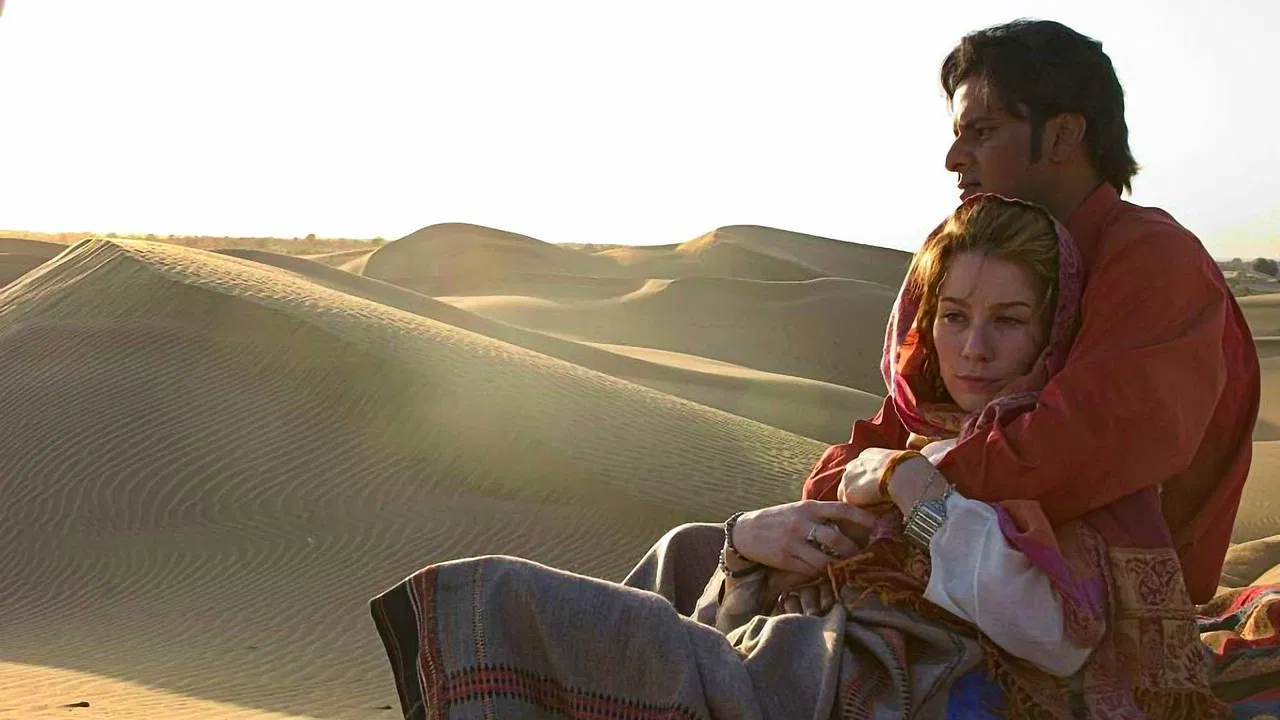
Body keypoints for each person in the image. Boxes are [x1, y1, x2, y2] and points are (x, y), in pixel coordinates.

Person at [370, 196, 1226, 719]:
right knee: (691, 549)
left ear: (1051, 332)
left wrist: (916, 489)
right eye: (954, 316)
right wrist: (751, 540)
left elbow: (1051, 633)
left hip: (925, 675)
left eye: (1008, 321)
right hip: (842, 633)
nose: (974, 348)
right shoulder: (921, 426)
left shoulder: (1052, 445)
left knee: (511, 600)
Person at [807, 18, 1260, 607]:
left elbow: (1074, 447)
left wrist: (900, 481)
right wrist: (838, 491)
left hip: (1088, 607)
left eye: (983, 131)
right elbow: (895, 426)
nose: (953, 158)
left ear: (1064, 135)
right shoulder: (983, 259)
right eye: (957, 134)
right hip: (949, 570)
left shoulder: (1153, 259)